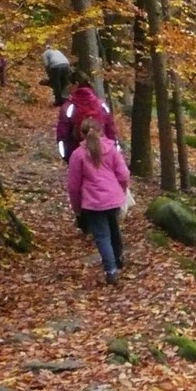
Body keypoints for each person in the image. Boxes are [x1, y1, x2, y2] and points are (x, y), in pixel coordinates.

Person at [67, 117, 129, 285]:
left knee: (102, 235)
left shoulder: (77, 155)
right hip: (113, 197)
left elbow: (74, 186)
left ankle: (111, 270)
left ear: (81, 134)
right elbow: (123, 175)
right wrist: (120, 191)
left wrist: (77, 208)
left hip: (93, 202)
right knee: (114, 228)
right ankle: (118, 257)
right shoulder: (111, 149)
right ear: (101, 131)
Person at [56, 72, 117, 161]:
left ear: (76, 84)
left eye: (70, 84)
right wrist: (114, 151)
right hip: (103, 153)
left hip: (78, 155)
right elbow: (111, 130)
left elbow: (62, 135)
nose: (68, 88)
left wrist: (66, 156)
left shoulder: (69, 107)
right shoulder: (101, 104)